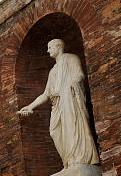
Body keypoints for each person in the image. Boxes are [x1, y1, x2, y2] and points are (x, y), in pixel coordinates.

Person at [18, 38, 100, 169]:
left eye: (50, 47)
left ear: (58, 46)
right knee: (54, 132)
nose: (48, 50)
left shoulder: (71, 58)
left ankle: (79, 158)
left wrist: (68, 87)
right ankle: (67, 160)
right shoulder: (52, 71)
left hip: (70, 101)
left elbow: (79, 75)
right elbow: (46, 94)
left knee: (73, 128)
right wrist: (30, 106)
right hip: (58, 105)